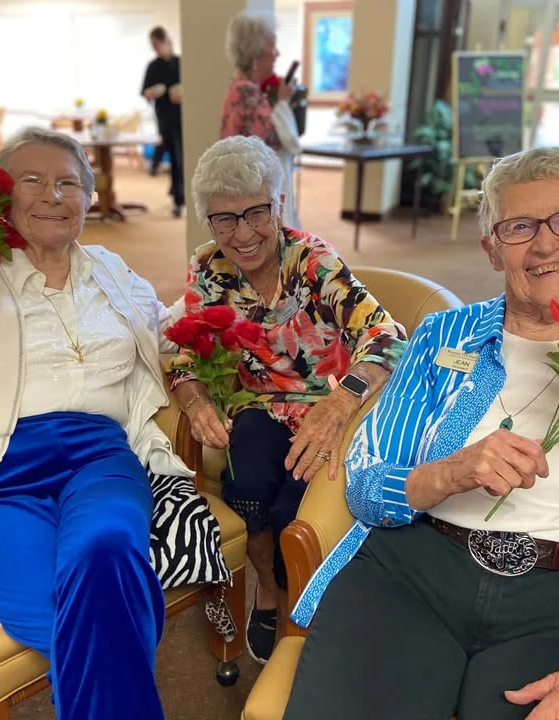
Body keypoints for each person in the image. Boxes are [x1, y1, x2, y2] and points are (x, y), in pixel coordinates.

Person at [284, 146, 559, 719]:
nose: (546, 244)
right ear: (492, 249)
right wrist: (447, 472)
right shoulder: (442, 336)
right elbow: (367, 488)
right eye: (519, 227)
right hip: (411, 578)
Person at [0, 128, 229, 720]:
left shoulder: (110, 272)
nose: (51, 195)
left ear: (88, 198)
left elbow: (166, 330)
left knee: (106, 549)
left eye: (68, 183)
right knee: (71, 610)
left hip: (101, 460)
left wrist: (197, 382)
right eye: (31, 180)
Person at [170, 135, 407, 664]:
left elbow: (388, 336)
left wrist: (342, 403)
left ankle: (304, 606)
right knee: (248, 489)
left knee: (289, 513)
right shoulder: (208, 269)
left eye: (256, 212)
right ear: (209, 221)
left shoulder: (312, 262)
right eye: (224, 219)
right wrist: (195, 403)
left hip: (328, 406)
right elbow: (183, 354)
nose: (244, 233)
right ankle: (271, 595)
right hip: (256, 405)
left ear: (279, 205)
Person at [221, 11, 302, 229]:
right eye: (272, 47)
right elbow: (283, 143)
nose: (277, 54)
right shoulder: (247, 94)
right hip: (254, 200)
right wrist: (283, 102)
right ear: (256, 54)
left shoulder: (242, 89)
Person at [142, 26, 184, 217]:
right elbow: (145, 92)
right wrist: (151, 92)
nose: (155, 48)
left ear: (167, 41)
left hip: (184, 115)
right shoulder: (153, 66)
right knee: (175, 155)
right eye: (152, 45)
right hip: (165, 116)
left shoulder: (181, 63)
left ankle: (177, 190)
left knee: (184, 156)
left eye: (157, 44)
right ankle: (178, 198)